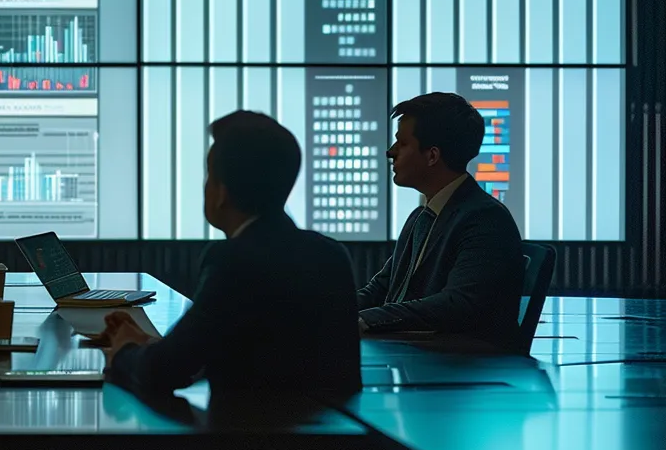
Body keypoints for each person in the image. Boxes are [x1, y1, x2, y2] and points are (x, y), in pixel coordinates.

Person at [97, 111, 360, 396]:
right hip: (332, 435)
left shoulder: (233, 260)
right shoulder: (331, 254)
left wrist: (124, 350)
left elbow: (166, 370)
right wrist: (151, 347)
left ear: (221, 192)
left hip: (248, 438)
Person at [357, 92, 524, 348]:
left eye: (402, 143)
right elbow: (380, 289)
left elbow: (458, 305)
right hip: (416, 351)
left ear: (432, 156)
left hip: (456, 368)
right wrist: (327, 311)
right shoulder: (422, 216)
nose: (390, 152)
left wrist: (363, 320)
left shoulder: (485, 219)